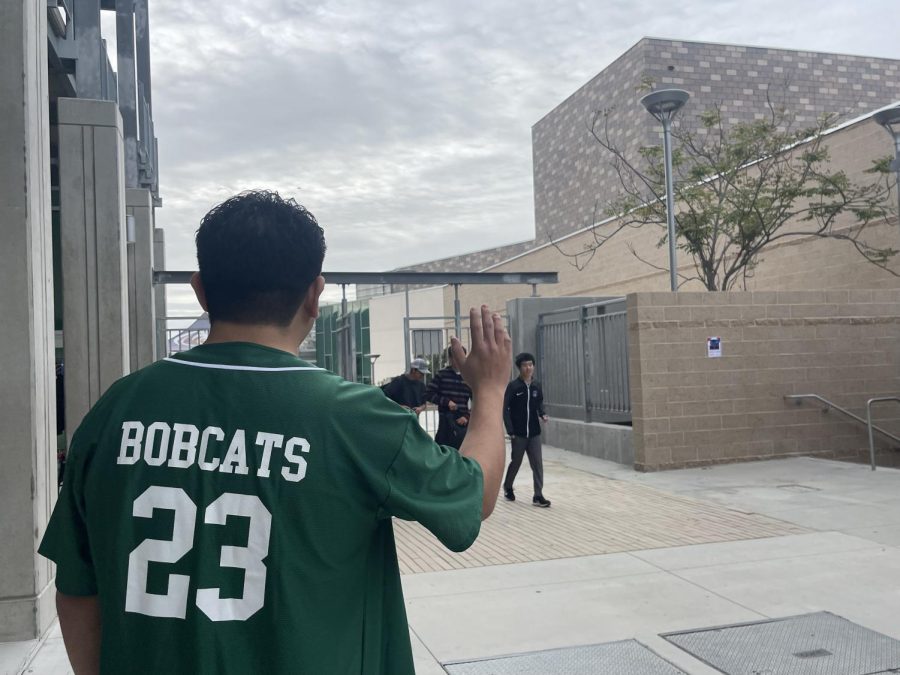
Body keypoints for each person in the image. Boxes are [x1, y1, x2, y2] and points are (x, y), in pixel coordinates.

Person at [38, 190, 512, 675]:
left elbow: (76, 592)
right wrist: (491, 390)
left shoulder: (117, 409)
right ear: (314, 293)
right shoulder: (354, 419)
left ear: (201, 291)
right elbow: (472, 497)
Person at [502, 352, 551, 507]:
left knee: (537, 463)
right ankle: (508, 486)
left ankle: (538, 495)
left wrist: (542, 414)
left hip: (534, 433)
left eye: (530, 365)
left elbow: (539, 403)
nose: (528, 368)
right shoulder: (513, 386)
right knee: (516, 462)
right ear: (519, 368)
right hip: (519, 433)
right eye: (525, 365)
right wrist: (510, 430)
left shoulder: (537, 385)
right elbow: (505, 409)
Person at [425, 345, 473, 450]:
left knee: (463, 451)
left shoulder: (469, 376)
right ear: (450, 359)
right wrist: (446, 402)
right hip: (445, 420)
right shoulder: (442, 375)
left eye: (462, 357)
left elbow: (478, 402)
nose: (458, 360)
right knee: (442, 450)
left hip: (463, 420)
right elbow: (428, 394)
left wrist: (467, 416)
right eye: (455, 357)